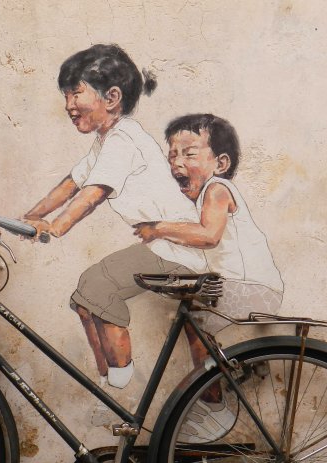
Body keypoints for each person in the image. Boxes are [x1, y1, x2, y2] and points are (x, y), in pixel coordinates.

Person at [22, 44, 207, 389]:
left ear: (112, 97)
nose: (68, 106)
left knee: (98, 286)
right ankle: (108, 377)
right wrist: (25, 218)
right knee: (84, 298)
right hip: (161, 248)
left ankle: (121, 383)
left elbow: (93, 194)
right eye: (65, 96)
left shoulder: (125, 139)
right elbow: (70, 185)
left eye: (76, 93)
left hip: (174, 249)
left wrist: (56, 226)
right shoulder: (105, 142)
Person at [134, 114, 284, 441]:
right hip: (240, 285)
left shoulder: (217, 190)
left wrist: (158, 228)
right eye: (172, 155)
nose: (177, 162)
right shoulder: (202, 198)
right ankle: (232, 371)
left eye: (189, 154)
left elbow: (209, 235)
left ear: (221, 162)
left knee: (197, 321)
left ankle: (216, 405)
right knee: (197, 320)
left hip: (255, 288)